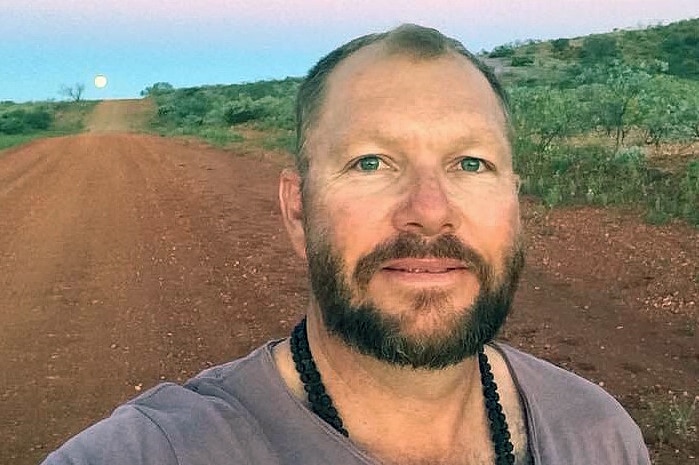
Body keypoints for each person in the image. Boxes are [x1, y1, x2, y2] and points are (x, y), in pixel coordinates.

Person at [43, 24, 650, 465]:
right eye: (370, 162)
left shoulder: (600, 434)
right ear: (298, 209)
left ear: (515, 206)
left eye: (470, 162)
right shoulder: (157, 452)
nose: (429, 212)